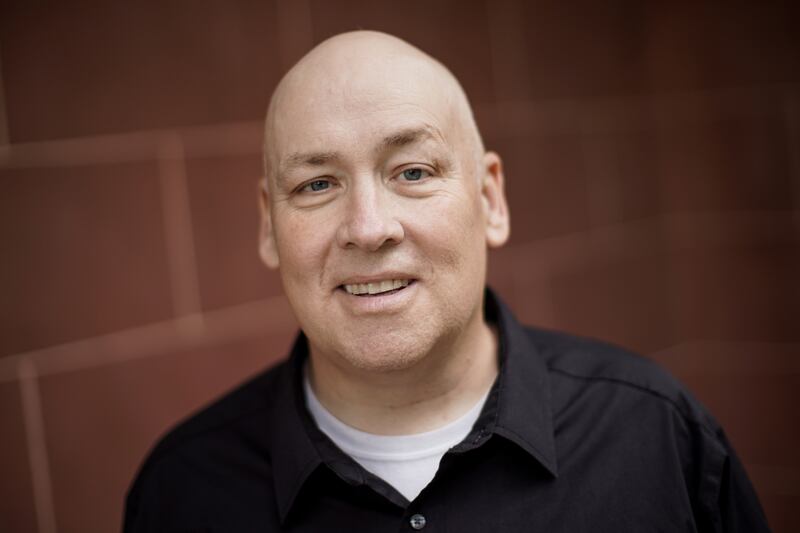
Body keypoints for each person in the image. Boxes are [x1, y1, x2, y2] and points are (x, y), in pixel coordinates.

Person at [124, 31, 770, 532]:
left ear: (490, 198)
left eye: (411, 171)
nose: (368, 228)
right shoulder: (184, 491)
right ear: (270, 226)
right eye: (317, 184)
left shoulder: (655, 435)